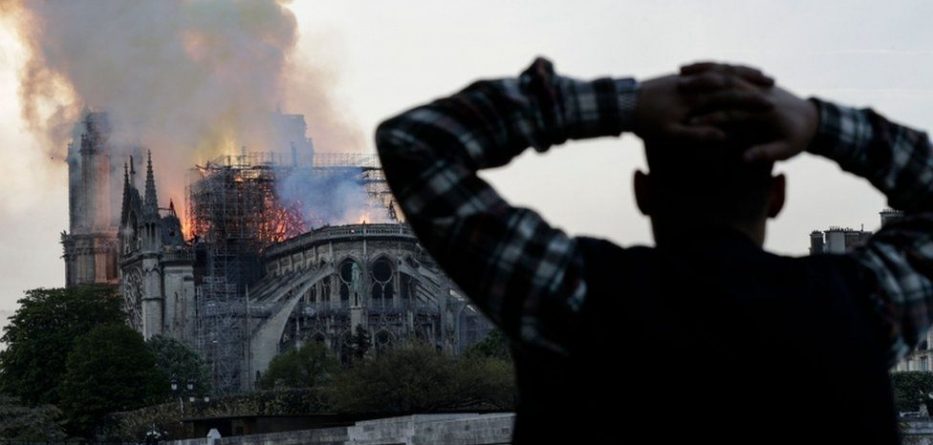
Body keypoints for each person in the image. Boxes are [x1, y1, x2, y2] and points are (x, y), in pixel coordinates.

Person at [375, 58, 933, 444]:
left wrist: (623, 104)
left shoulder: (570, 292)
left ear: (642, 191)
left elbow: (416, 143)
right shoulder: (863, 305)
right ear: (778, 196)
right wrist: (818, 124)